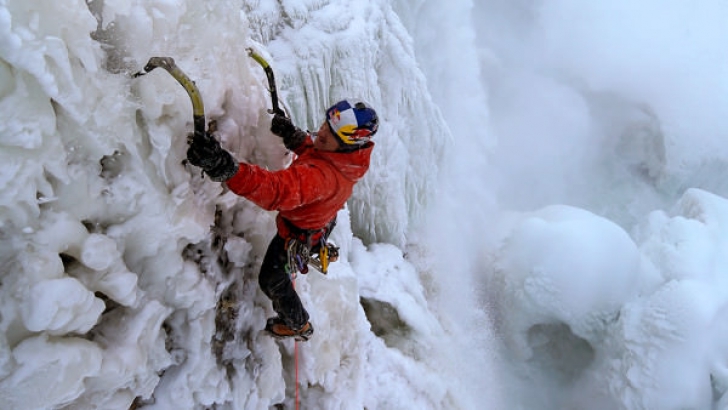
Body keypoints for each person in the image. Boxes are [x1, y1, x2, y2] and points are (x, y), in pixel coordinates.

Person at [186, 99, 379, 341]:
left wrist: (226, 168)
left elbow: (276, 190)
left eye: (330, 134)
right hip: (320, 221)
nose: (321, 132)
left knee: (272, 281)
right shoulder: (347, 160)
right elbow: (316, 152)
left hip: (297, 233)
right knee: (311, 237)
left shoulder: (320, 178)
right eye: (326, 125)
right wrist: (293, 136)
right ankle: (318, 248)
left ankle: (297, 324)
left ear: (348, 143)